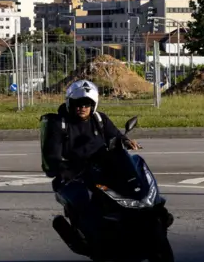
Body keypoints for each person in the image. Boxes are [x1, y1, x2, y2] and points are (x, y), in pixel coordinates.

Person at [43, 80, 146, 252]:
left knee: (130, 183)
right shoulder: (59, 124)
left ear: (93, 105)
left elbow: (115, 136)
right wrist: (63, 169)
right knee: (86, 204)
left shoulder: (100, 119)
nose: (82, 107)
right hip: (75, 173)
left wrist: (126, 141)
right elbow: (52, 153)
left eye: (86, 104)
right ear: (70, 103)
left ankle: (147, 214)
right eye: (78, 103)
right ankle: (92, 238)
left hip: (102, 167)